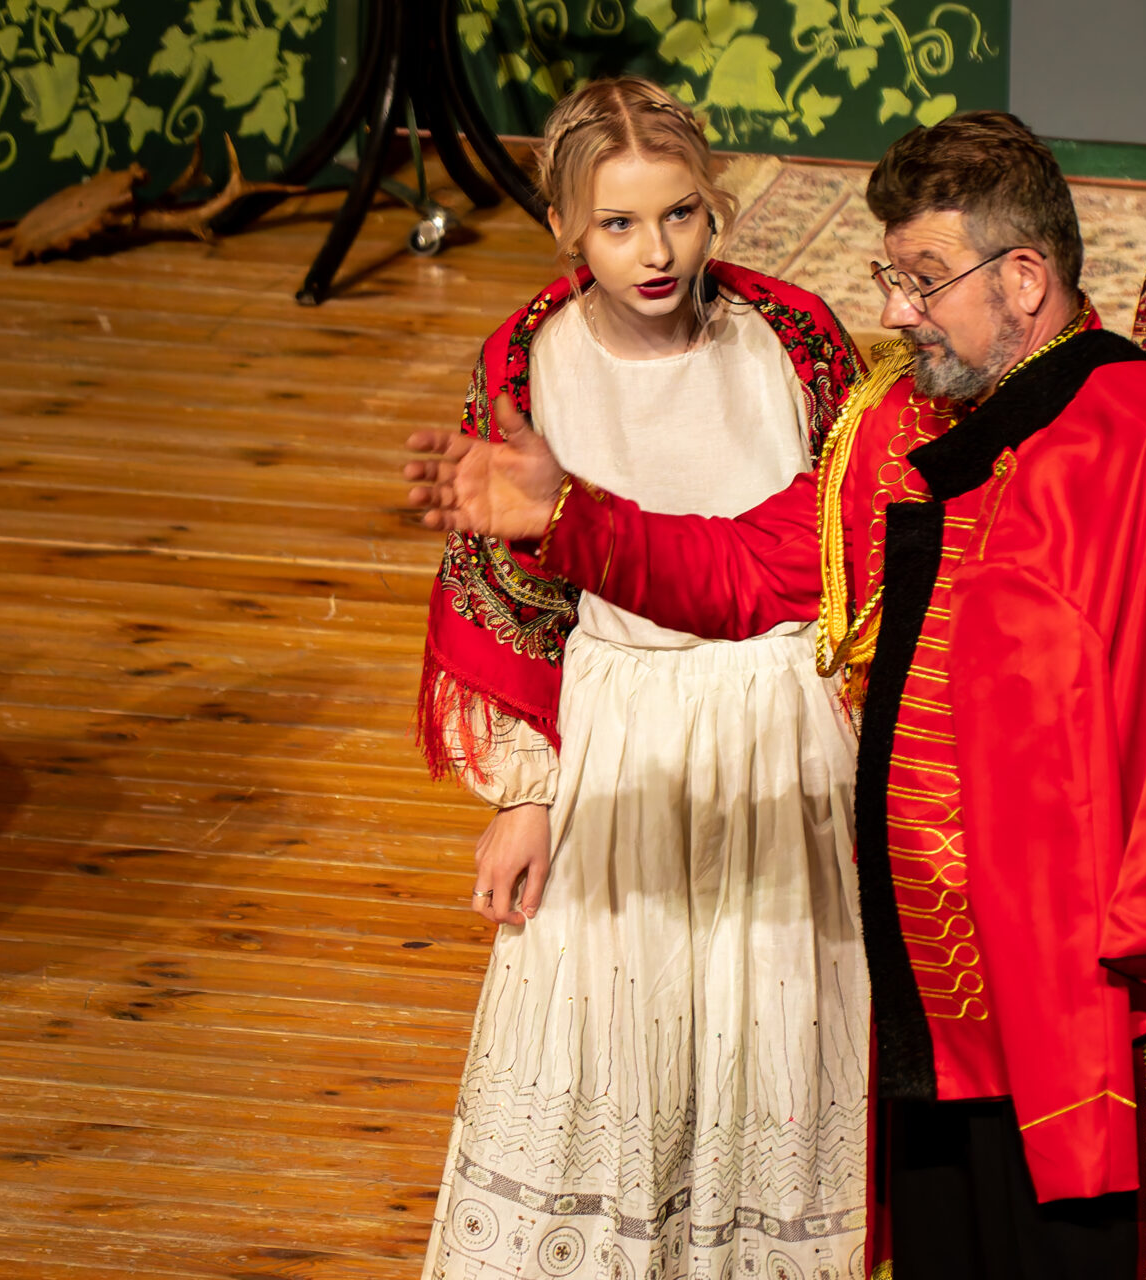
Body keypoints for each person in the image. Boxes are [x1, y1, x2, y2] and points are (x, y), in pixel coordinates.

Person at [406, 111, 1146, 1279]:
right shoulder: (893, 429)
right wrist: (567, 516)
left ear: (1023, 278)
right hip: (927, 992)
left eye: (923, 280)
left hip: (1093, 998)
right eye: (891, 277)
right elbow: (745, 573)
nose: (892, 311)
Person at [413, 77, 871, 1280]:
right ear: (566, 227)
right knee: (613, 1025)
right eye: (618, 224)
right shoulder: (529, 363)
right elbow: (509, 591)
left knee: (777, 1019)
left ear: (716, 206)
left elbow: (853, 536)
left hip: (781, 728)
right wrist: (526, 792)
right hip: (622, 734)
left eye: (680, 214)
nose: (656, 252)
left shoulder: (796, 340)